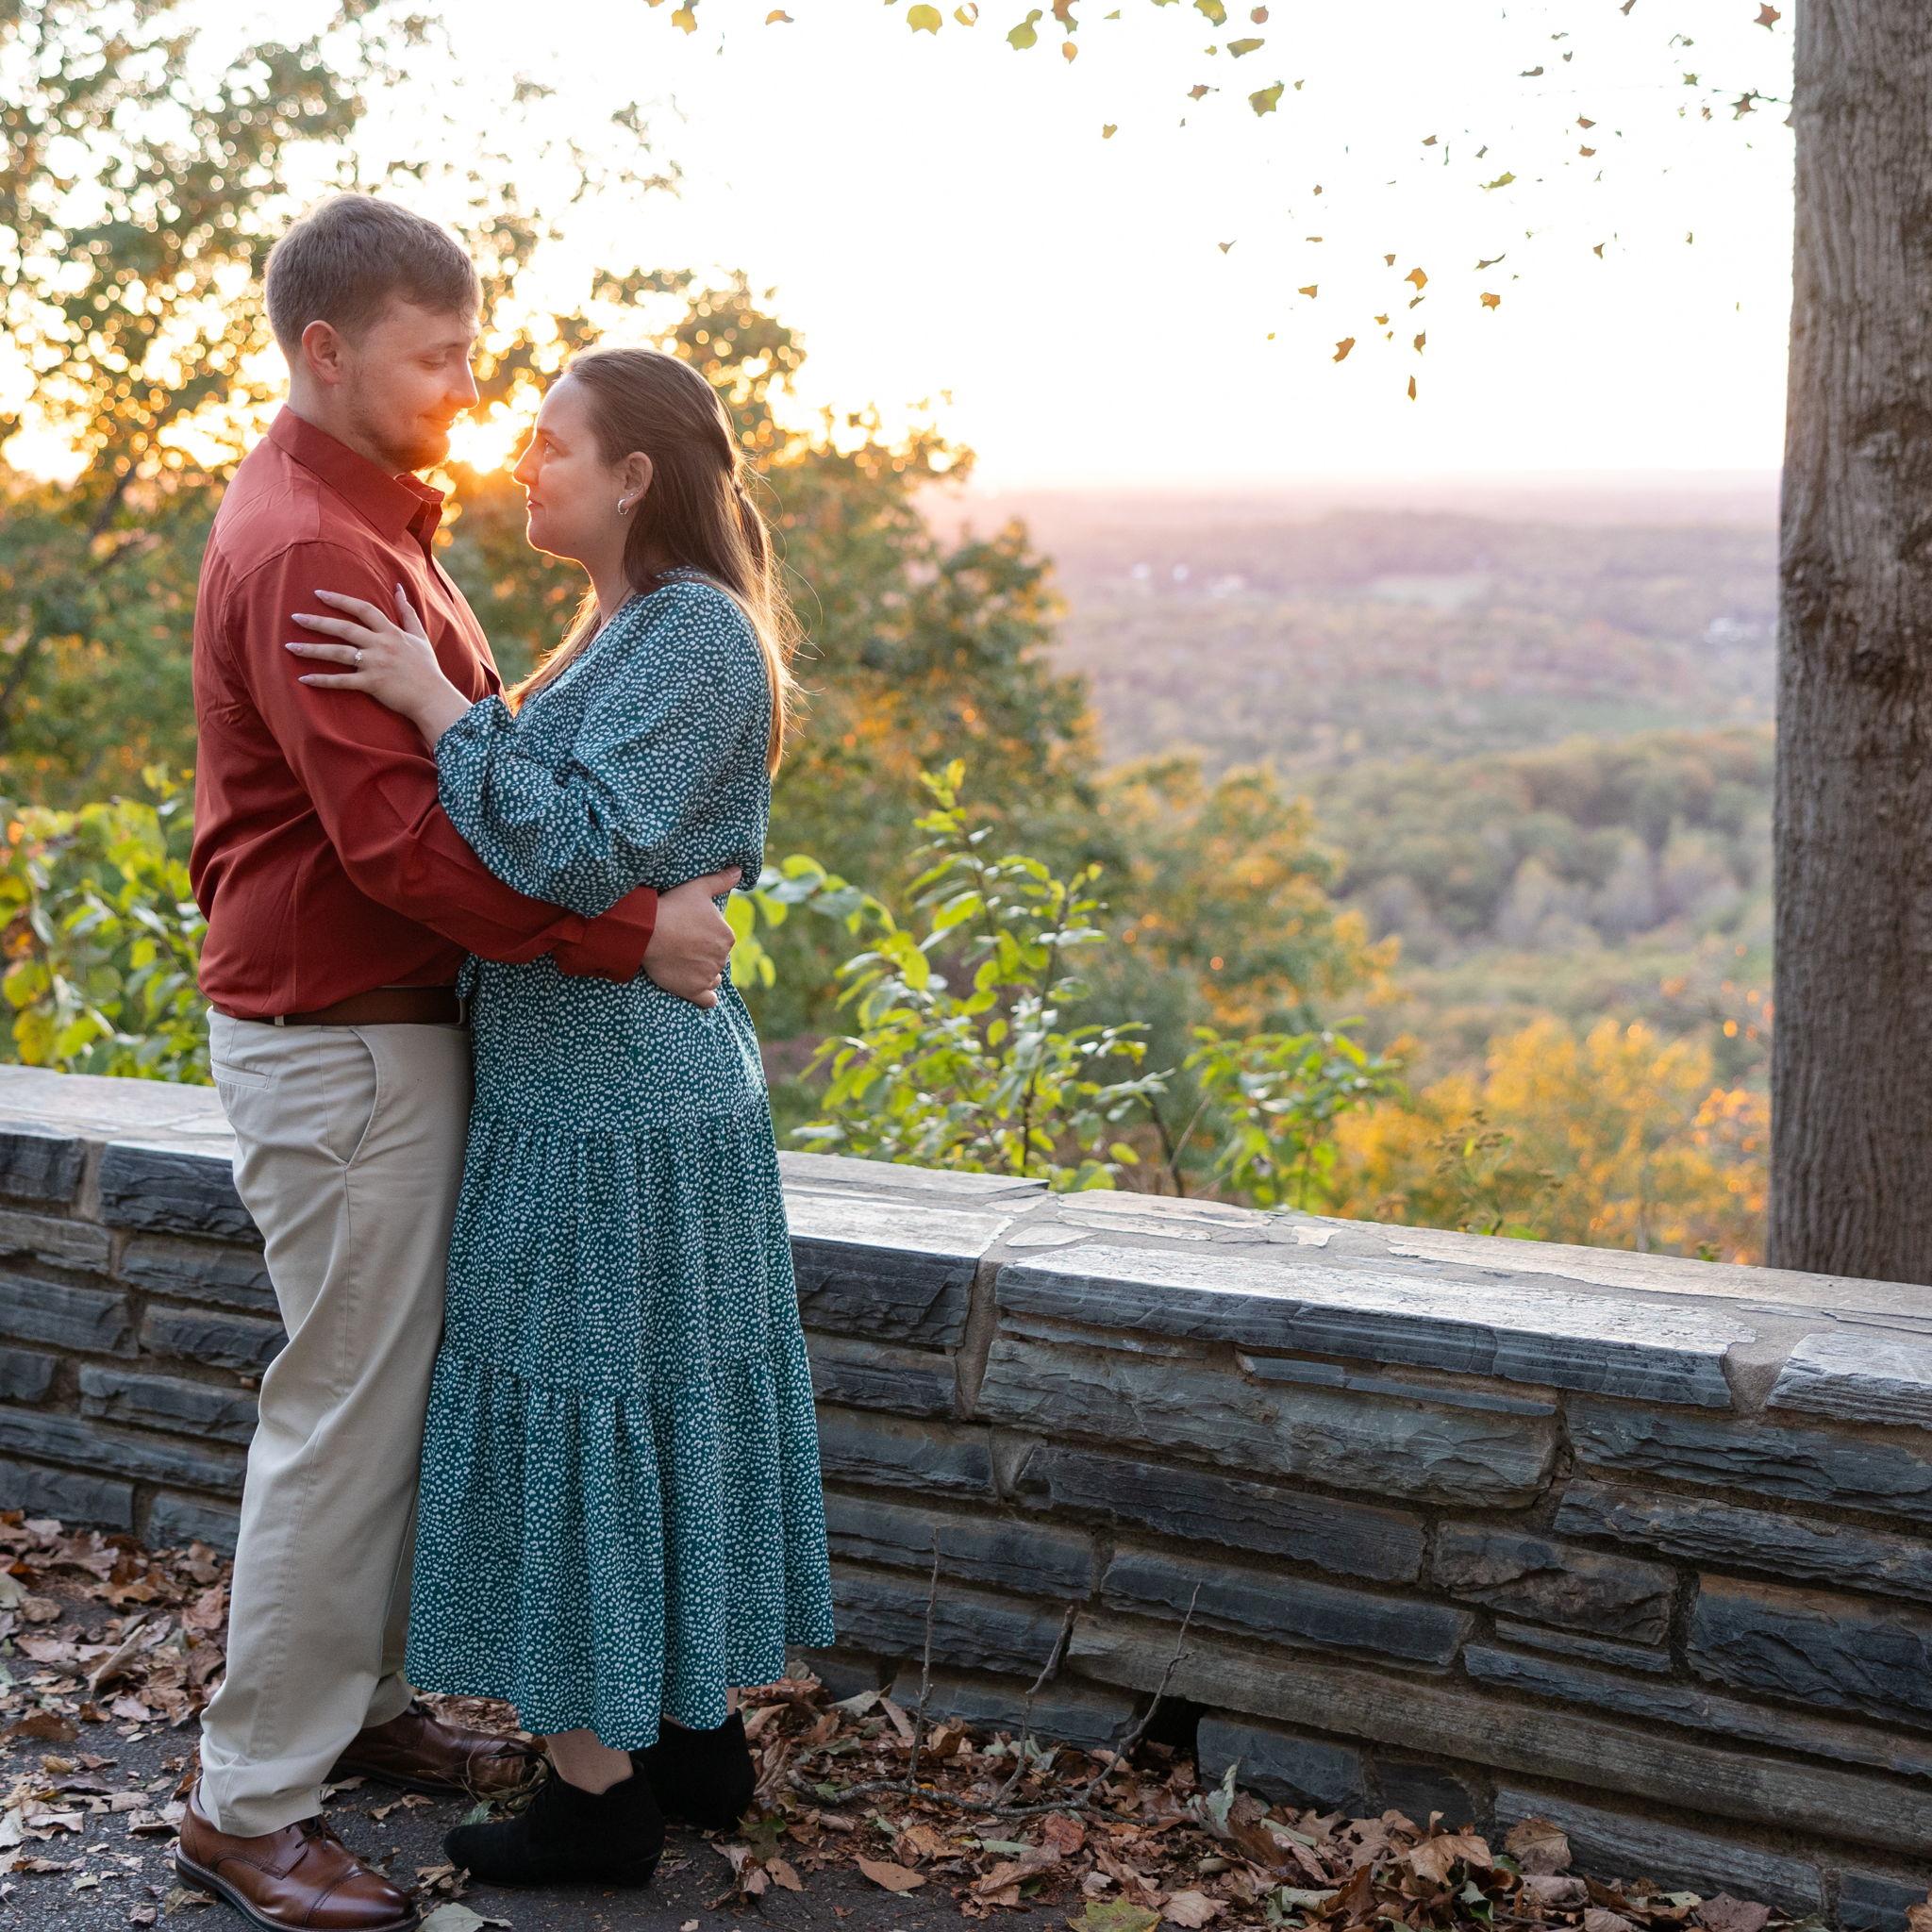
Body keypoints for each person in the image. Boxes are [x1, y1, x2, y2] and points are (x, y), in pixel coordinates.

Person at [176, 195, 741, 1932]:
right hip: (342, 1041)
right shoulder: (310, 552)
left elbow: (480, 795)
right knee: (343, 1419)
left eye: (478, 360)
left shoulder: (377, 533)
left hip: (384, 1037)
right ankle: (247, 1808)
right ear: (328, 352)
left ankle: (355, 1713)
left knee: (384, 1399)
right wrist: (627, 935)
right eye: (439, 358)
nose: (465, 391)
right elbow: (402, 854)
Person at [279, 342, 837, 1890]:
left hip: (608, 1109)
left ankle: (596, 1800)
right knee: (646, 1403)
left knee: (578, 1409)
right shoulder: (626, 627)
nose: (523, 461)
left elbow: (570, 849)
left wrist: (435, 704)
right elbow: (607, 855)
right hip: (607, 1085)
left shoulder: (694, 636)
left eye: (552, 443)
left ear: (636, 475)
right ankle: (689, 1733)